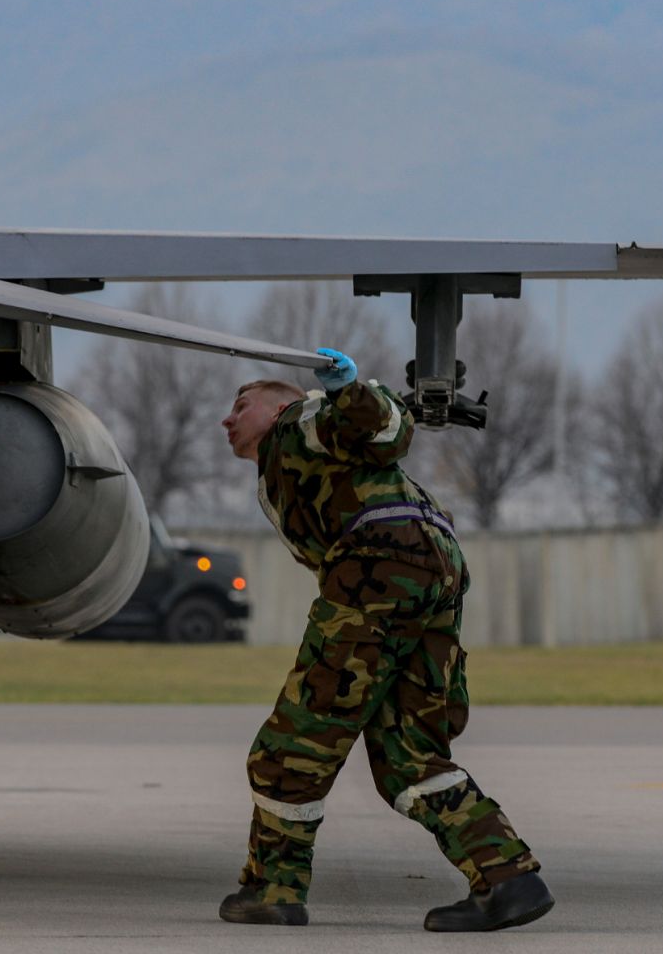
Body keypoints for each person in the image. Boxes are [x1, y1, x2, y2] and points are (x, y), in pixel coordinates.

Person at [216, 347, 553, 932]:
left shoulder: (304, 424)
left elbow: (383, 427)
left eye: (241, 405)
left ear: (278, 409)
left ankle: (274, 888)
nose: (227, 419)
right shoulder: (295, 458)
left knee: (291, 749)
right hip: (428, 568)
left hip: (380, 568)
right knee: (409, 756)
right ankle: (508, 879)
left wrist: (348, 389)